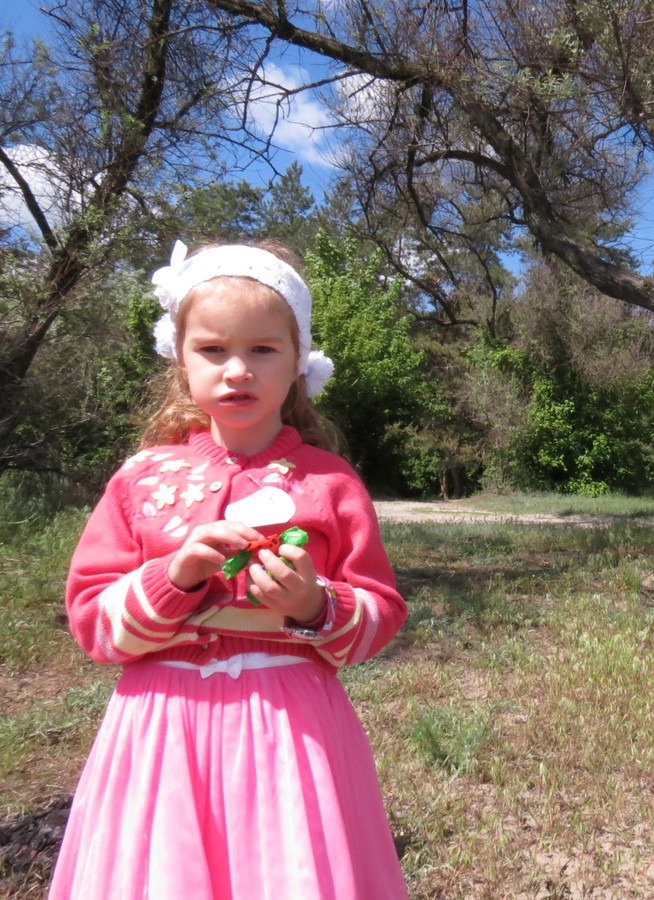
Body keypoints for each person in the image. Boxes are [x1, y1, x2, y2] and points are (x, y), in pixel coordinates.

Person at [49, 240, 410, 899]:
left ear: (298, 360)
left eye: (263, 349)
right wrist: (173, 578)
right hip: (162, 735)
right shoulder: (139, 480)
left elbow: (379, 613)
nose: (238, 369)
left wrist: (313, 605)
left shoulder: (330, 483)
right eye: (213, 349)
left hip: (289, 733)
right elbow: (94, 627)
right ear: (180, 360)